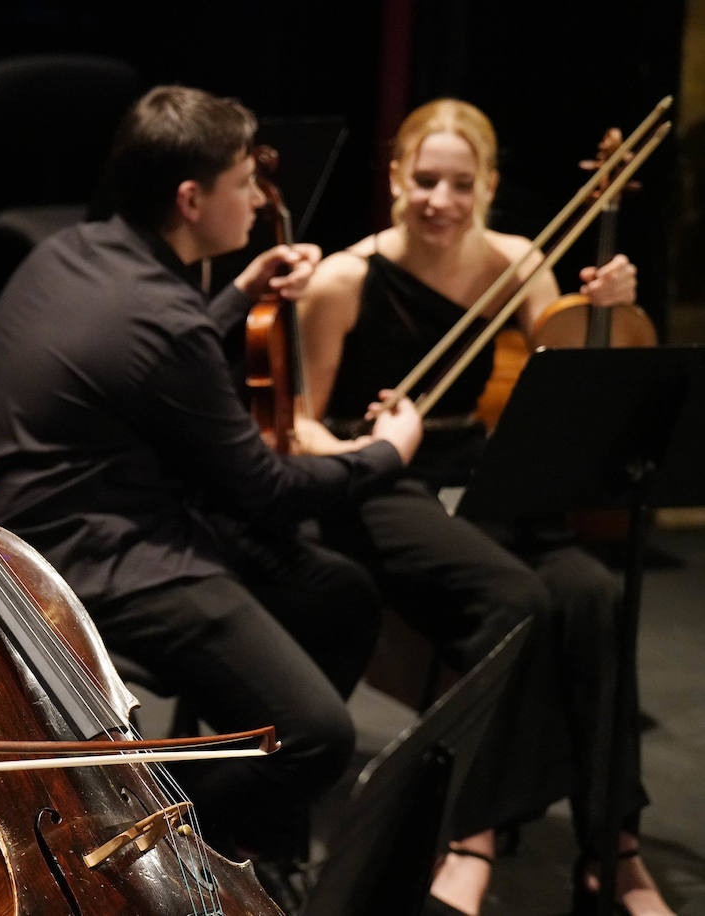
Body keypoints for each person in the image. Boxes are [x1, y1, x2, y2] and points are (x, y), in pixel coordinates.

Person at [0, 84, 423, 879]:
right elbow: (267, 490)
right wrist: (388, 451)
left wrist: (238, 294)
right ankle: (128, 826)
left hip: (49, 528)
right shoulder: (166, 319)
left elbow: (144, 362)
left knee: (339, 594)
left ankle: (256, 836)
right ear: (190, 198)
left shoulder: (71, 249)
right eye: (245, 182)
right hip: (101, 562)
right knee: (321, 736)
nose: (258, 198)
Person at [298, 98, 672, 916]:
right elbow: (297, 424)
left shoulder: (519, 263)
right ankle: (475, 834)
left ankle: (616, 851)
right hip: (382, 479)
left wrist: (607, 308)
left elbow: (570, 376)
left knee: (596, 592)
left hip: (485, 473)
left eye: (461, 184)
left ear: (490, 186)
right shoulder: (344, 277)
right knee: (517, 599)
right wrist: (375, 449)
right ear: (395, 178)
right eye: (424, 179)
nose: (441, 200)